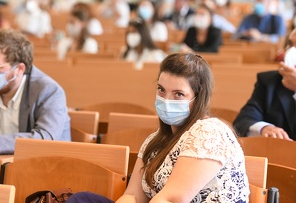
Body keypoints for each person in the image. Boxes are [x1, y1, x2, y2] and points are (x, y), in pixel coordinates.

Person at [66, 53, 249, 202]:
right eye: (161, 90)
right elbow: (133, 196)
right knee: (82, 200)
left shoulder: (209, 132)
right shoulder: (155, 141)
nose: (166, 100)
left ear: (197, 98)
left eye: (178, 94)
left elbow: (172, 200)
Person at [233, 28, 296, 140]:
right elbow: (242, 121)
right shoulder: (269, 81)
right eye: (290, 44)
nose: (292, 51)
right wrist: (264, 128)